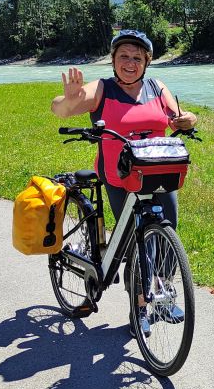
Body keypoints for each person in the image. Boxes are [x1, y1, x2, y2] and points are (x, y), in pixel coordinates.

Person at [51, 29, 197, 335]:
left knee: (167, 232)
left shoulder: (156, 87)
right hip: (119, 176)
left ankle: (163, 292)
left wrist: (188, 120)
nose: (129, 63)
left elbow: (179, 116)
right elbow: (62, 109)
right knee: (139, 241)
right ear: (114, 60)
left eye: (136, 57)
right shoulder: (102, 89)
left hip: (157, 170)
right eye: (123, 57)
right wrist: (69, 100)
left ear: (146, 61)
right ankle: (141, 307)